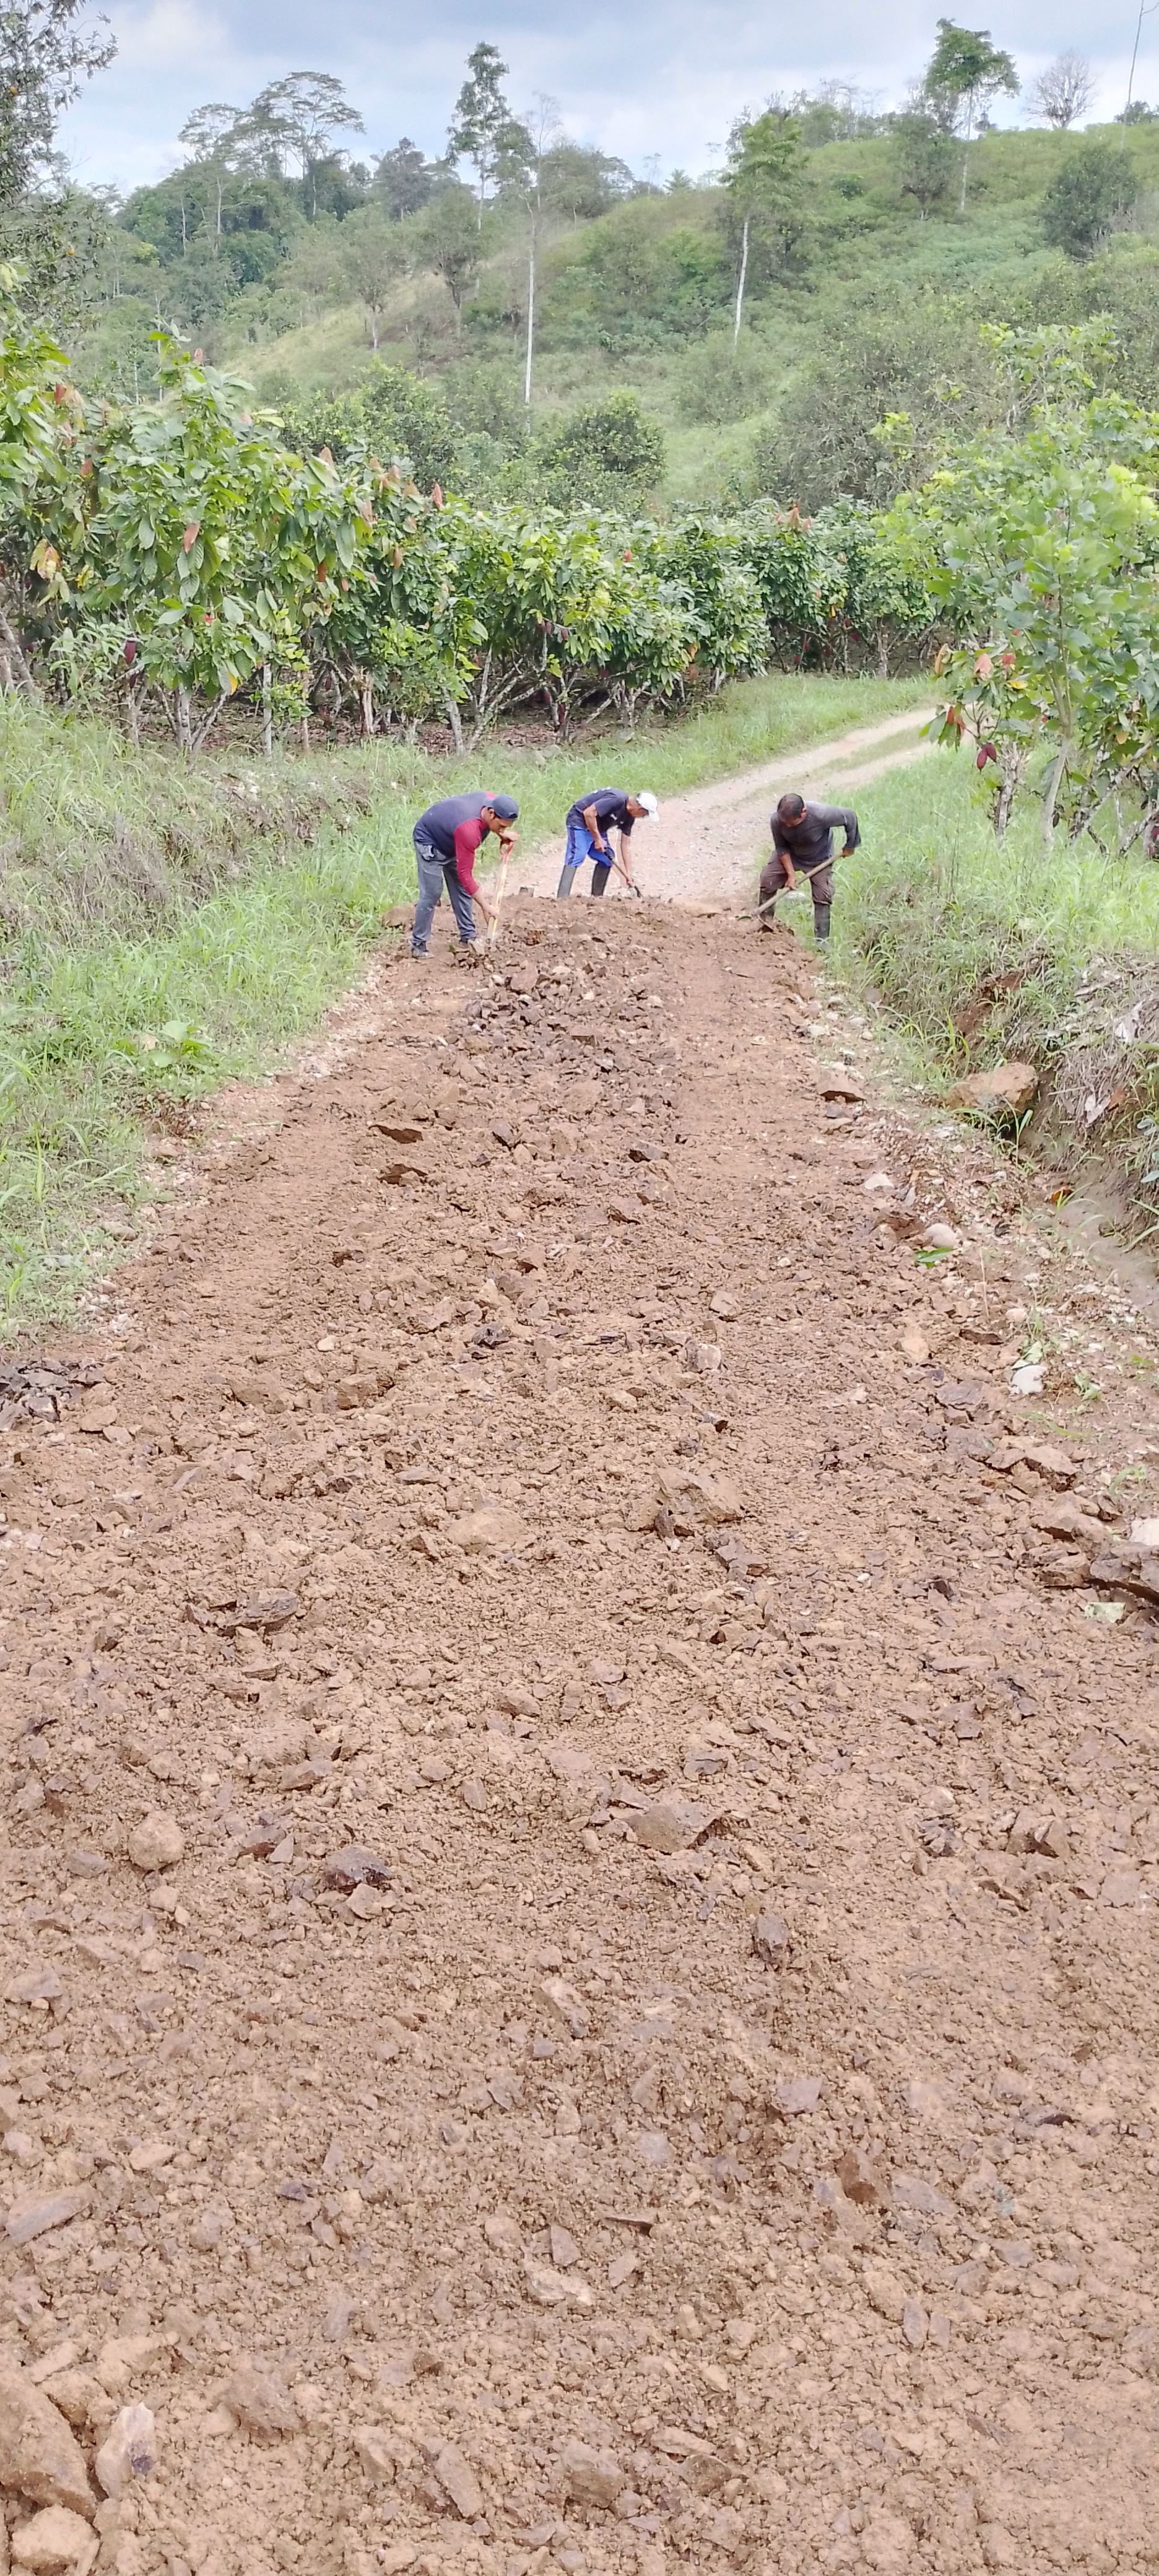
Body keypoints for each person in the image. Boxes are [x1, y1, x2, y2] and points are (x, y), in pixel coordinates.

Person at [410, 793, 519, 957]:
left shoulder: (491, 800)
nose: (503, 830)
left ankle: (468, 937)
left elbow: (464, 878)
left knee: (462, 889)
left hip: (454, 838)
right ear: (491, 813)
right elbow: (465, 875)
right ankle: (418, 945)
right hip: (430, 840)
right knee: (432, 894)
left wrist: (500, 833)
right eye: (502, 826)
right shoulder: (469, 831)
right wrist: (485, 906)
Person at [758, 793, 860, 945]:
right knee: (768, 879)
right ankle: (765, 924)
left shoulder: (821, 814)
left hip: (819, 858)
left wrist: (851, 845)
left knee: (823, 895)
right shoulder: (777, 820)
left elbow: (850, 816)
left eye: (791, 823)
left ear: (803, 813)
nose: (787, 825)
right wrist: (791, 875)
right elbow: (781, 848)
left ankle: (822, 942)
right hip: (791, 854)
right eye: (784, 822)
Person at [557, 789, 658, 899]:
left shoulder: (629, 818)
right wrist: (597, 839)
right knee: (577, 855)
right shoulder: (617, 799)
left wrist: (627, 875)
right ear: (640, 809)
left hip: (597, 827)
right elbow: (588, 813)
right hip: (580, 820)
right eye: (645, 815)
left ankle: (597, 898)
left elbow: (624, 845)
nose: (643, 817)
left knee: (607, 859)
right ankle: (562, 899)